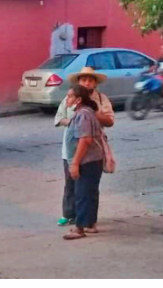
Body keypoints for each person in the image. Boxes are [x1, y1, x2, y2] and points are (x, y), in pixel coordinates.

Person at [63, 84, 105, 240]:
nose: (67, 99)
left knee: (82, 194)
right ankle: (89, 224)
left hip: (87, 161)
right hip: (91, 160)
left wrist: (75, 162)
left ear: (78, 99)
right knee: (89, 193)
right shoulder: (82, 113)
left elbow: (85, 140)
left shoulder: (83, 115)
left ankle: (79, 228)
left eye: (70, 96)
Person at [54, 88, 77, 227]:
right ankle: (68, 214)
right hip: (69, 150)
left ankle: (83, 215)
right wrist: (70, 122)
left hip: (87, 151)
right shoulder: (67, 100)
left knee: (85, 185)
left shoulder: (92, 102)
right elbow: (59, 118)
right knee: (69, 182)